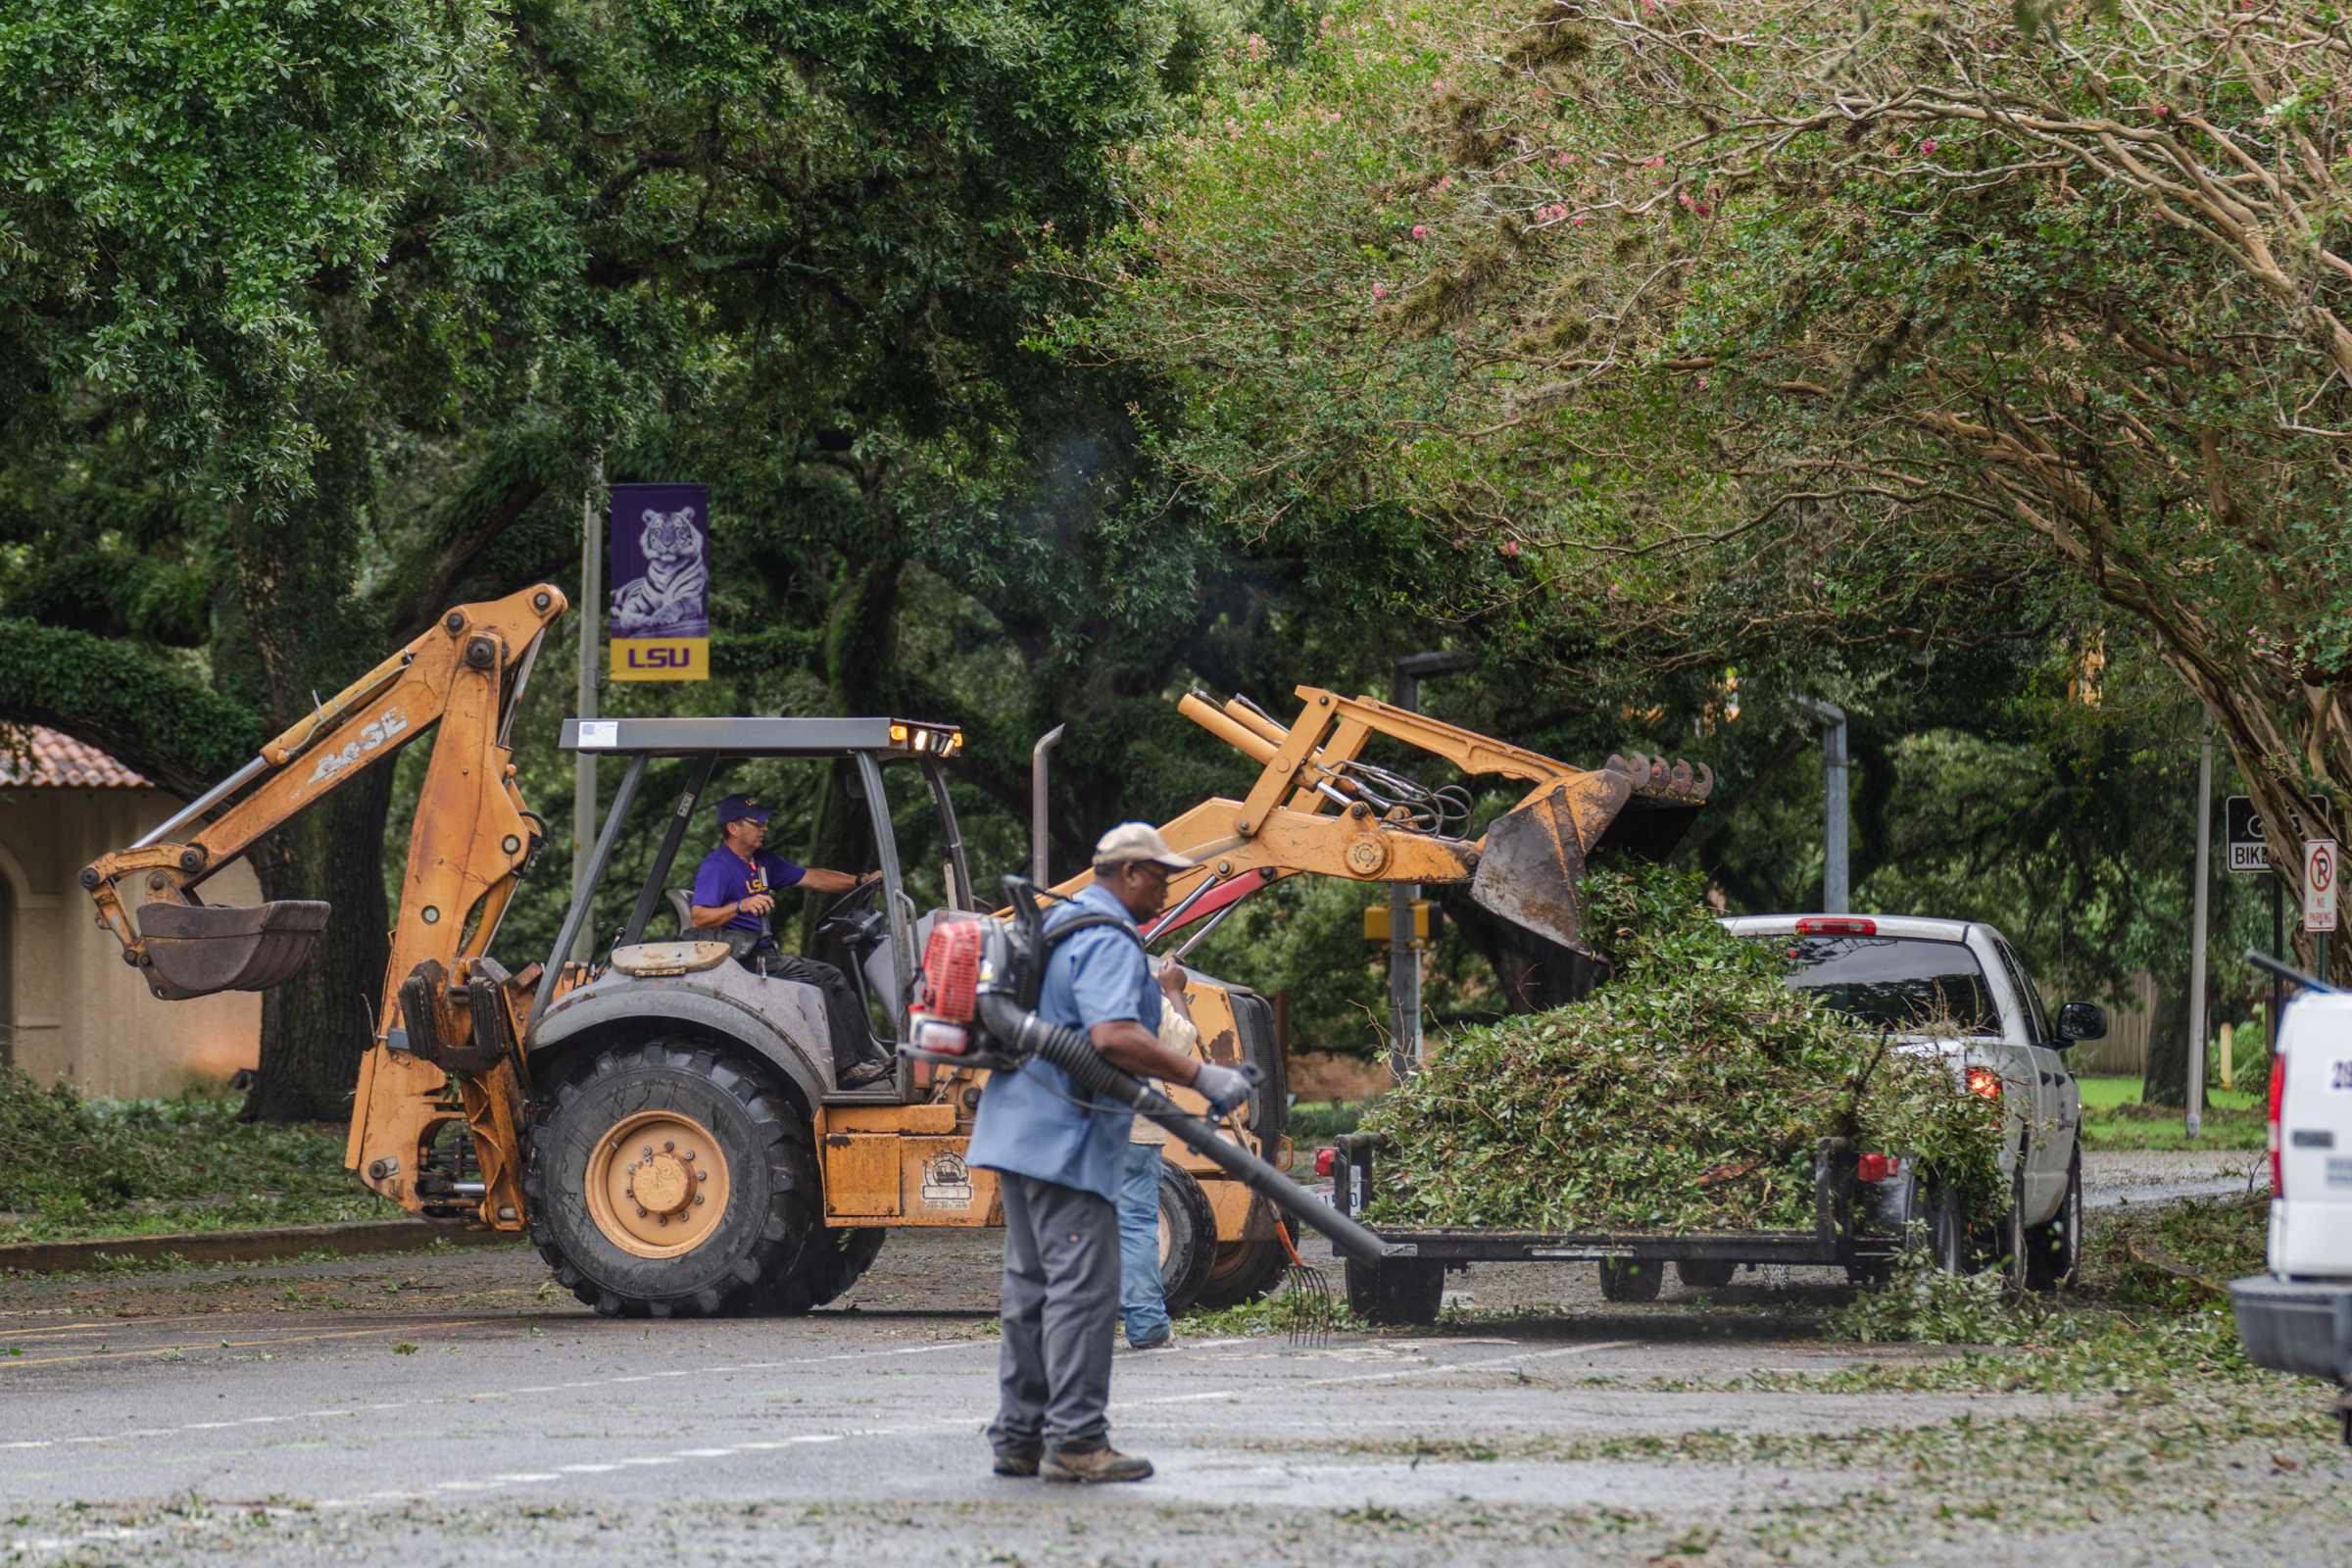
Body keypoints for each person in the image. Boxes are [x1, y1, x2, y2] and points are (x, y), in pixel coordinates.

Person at [966, 822, 1253, 1485]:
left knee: (1032, 1291)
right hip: (1065, 1137)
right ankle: (1077, 1442)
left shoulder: (1061, 923)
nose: (1166, 888)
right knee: (1083, 1293)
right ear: (1127, 873)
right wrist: (1200, 1077)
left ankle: (1016, 1437)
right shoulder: (1109, 939)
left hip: (1018, 1129)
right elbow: (1114, 1036)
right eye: (1159, 876)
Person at [688, 793, 893, 1087]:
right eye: (756, 822)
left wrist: (860, 881)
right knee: (813, 979)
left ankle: (867, 1059)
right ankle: (845, 1070)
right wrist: (740, 906)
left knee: (832, 975)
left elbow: (813, 878)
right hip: (742, 959)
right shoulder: (718, 866)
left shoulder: (762, 861)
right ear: (733, 828)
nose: (764, 828)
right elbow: (699, 917)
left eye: (765, 821)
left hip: (765, 954)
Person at [1116, 957, 1200, 1352]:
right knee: (1135, 1226)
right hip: (1134, 1127)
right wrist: (1172, 989)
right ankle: (1147, 1325)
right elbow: (1180, 1044)